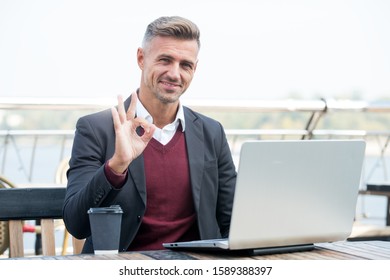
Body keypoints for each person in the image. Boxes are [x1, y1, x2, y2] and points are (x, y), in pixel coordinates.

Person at [63, 16, 237, 253]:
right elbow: (76, 224)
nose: (175, 74)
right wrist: (116, 166)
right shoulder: (96, 129)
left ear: (195, 69)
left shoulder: (211, 132)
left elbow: (232, 222)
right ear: (141, 58)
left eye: (185, 65)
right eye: (165, 60)